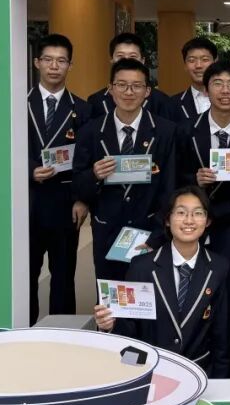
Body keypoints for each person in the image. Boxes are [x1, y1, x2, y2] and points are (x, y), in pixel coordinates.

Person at [170, 59, 230, 366]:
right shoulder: (185, 130)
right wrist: (194, 181)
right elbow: (174, 178)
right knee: (188, 284)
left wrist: (223, 212)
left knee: (225, 288)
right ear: (206, 88)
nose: (225, 91)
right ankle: (188, 350)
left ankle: (224, 361)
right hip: (191, 221)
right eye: (218, 84)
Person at [93, 187, 230, 379]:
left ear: (207, 221)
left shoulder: (219, 267)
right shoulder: (141, 266)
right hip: (152, 369)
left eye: (198, 213)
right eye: (181, 212)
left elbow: (222, 333)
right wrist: (109, 326)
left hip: (199, 372)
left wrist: (220, 380)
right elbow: (129, 328)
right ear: (167, 219)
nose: (189, 220)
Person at [72, 58, 177, 282]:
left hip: (150, 229)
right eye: (121, 85)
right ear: (110, 89)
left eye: (136, 86)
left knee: (150, 294)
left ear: (147, 91)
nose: (129, 92)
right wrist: (94, 175)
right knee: (112, 296)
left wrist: (159, 233)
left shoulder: (166, 132)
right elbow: (78, 185)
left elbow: (170, 187)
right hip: (107, 231)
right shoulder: (91, 132)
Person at [27, 33, 90, 325]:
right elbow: (3, 149)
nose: (54, 66)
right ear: (37, 62)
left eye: (61, 61)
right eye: (48, 60)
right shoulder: (16, 104)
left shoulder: (82, 109)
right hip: (27, 201)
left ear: (70, 65)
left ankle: (62, 332)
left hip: (65, 203)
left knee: (64, 274)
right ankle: (24, 330)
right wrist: (29, 169)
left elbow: (87, 159)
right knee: (25, 272)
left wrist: (82, 198)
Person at [86, 32, 171, 121]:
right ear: (111, 60)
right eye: (120, 56)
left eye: (133, 56)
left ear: (142, 61)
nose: (126, 61)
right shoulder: (95, 101)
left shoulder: (161, 101)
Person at [169, 36, 217, 121]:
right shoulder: (172, 104)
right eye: (191, 60)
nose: (198, 65)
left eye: (205, 59)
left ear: (215, 62)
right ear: (185, 65)